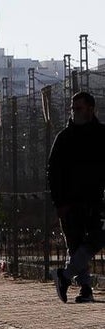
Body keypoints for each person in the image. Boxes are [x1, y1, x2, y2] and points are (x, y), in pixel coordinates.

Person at [48, 91, 105, 303]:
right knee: (75, 244)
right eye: (73, 109)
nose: (75, 113)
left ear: (91, 109)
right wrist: (59, 202)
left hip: (95, 200)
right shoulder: (64, 138)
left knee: (96, 239)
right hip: (70, 203)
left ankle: (65, 276)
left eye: (78, 108)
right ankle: (85, 289)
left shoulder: (101, 135)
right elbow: (53, 172)